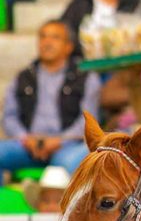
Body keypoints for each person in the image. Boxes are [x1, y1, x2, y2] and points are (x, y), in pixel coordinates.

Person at [0, 20, 101, 184]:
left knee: (69, 164)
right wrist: (26, 139)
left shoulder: (86, 77)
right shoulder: (23, 77)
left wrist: (59, 141)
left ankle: (61, 208)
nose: (47, 42)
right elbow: (9, 117)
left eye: (55, 37)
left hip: (67, 146)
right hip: (28, 146)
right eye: (43, 37)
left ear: (68, 46)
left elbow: (88, 121)